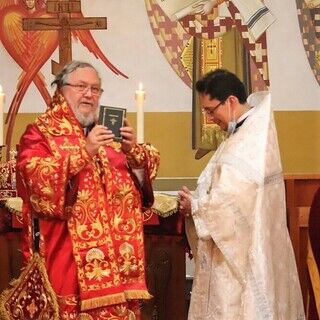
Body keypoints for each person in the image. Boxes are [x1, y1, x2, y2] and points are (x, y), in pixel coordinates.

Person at [16, 60, 160, 319]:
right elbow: (35, 178)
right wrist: (84, 152)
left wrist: (133, 151)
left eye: (96, 89)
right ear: (61, 91)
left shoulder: (109, 132)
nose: (89, 94)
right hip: (67, 258)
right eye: (81, 86)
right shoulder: (41, 133)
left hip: (117, 264)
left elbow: (143, 181)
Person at [179, 69, 305, 319]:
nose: (209, 117)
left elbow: (232, 206)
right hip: (241, 252)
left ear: (231, 102)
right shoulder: (245, 134)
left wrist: (195, 206)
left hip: (241, 262)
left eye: (210, 110)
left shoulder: (249, 141)